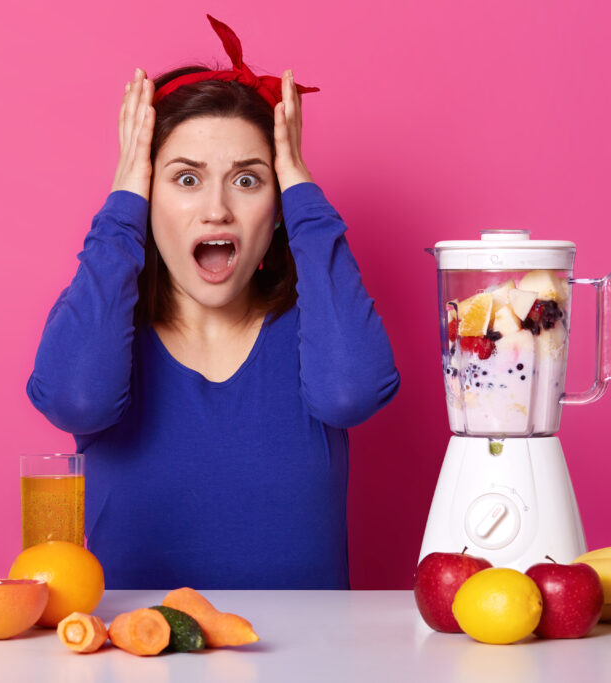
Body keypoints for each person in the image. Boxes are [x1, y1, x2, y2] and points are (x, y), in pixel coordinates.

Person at [27, 16, 399, 589]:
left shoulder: (315, 332)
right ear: (148, 200)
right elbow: (75, 400)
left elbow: (352, 392)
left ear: (278, 208)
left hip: (313, 646)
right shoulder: (108, 339)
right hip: (139, 644)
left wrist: (302, 191)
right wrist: (123, 205)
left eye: (248, 181)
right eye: (186, 180)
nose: (217, 210)